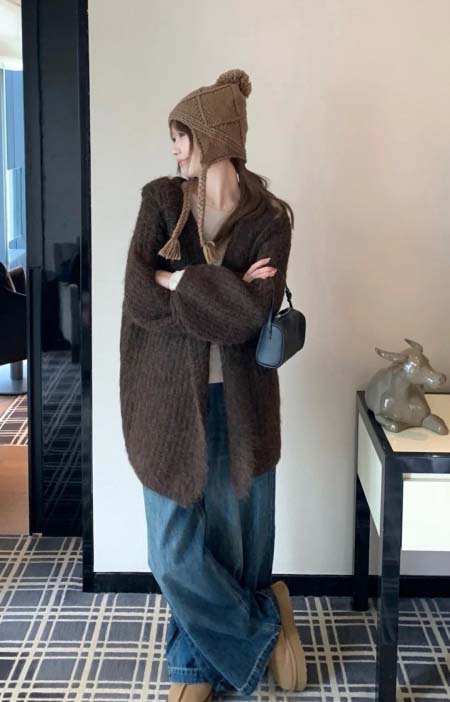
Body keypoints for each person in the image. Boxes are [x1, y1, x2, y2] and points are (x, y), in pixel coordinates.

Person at [119, 69, 307, 701]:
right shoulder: (162, 203)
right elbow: (140, 297)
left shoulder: (270, 220)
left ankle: (193, 671)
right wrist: (215, 288)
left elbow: (251, 315)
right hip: (165, 399)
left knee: (228, 543)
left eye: (183, 138)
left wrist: (179, 281)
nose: (175, 151)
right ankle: (265, 624)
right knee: (172, 552)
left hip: (239, 402)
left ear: (214, 139)